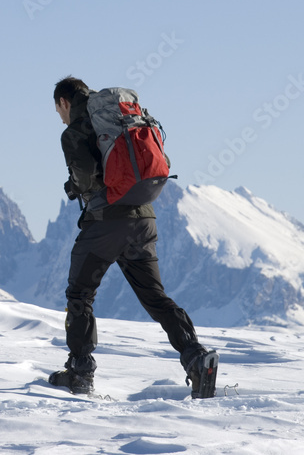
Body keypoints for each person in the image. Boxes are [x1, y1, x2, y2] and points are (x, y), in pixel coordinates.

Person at [48, 76, 218, 398]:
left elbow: (85, 177)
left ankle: (80, 372)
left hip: (106, 222)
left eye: (58, 110)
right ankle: (196, 357)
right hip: (144, 218)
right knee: (155, 297)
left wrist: (75, 186)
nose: (60, 117)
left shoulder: (76, 130)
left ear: (64, 102)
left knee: (80, 295)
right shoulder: (124, 118)